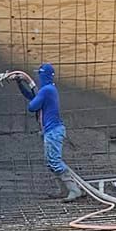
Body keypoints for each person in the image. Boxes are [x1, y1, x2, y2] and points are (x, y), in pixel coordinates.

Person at [14, 63, 82, 200]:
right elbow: (31, 97)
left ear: (43, 75)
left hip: (53, 131)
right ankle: (63, 191)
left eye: (39, 74)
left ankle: (74, 190)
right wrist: (20, 83)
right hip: (51, 131)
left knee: (54, 161)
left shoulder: (46, 90)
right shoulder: (48, 89)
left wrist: (29, 85)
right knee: (50, 162)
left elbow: (32, 106)